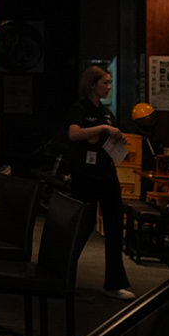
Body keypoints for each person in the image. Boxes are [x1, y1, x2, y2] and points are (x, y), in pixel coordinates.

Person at [66, 65, 135, 300]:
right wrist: (104, 128)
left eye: (109, 83)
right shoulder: (79, 109)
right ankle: (63, 275)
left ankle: (115, 282)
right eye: (105, 82)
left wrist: (117, 136)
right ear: (92, 84)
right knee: (81, 227)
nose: (109, 87)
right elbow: (74, 134)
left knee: (115, 227)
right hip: (84, 175)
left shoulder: (107, 113)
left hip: (107, 174)